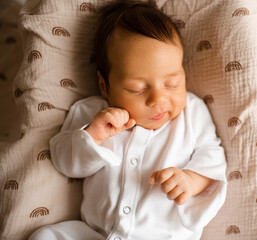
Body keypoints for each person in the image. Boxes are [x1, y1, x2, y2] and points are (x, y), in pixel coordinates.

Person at [29, 1, 227, 239]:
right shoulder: (92, 113)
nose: (158, 99)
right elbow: (64, 162)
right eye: (137, 88)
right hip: (96, 233)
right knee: (46, 236)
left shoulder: (192, 112)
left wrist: (192, 180)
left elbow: (212, 154)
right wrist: (93, 137)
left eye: (171, 84)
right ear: (105, 86)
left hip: (163, 236)